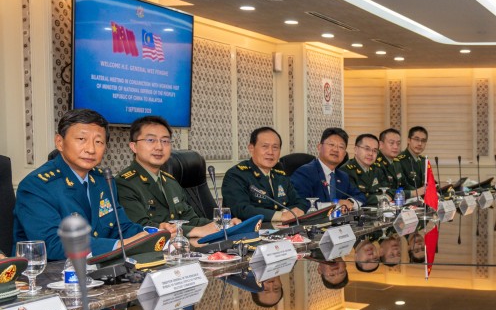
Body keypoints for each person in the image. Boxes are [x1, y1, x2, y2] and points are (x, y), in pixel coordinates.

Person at [13, 109, 150, 261]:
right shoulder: (37, 185)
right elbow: (52, 245)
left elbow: (122, 227)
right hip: (50, 276)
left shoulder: (103, 180)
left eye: (98, 142)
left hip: (100, 271)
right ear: (59, 142)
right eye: (81, 139)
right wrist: (118, 246)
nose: (91, 149)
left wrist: (153, 234)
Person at [116, 115, 232, 244]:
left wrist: (222, 224)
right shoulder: (124, 183)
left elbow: (191, 219)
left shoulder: (170, 181)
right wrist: (193, 231)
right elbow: (141, 227)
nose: (159, 147)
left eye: (165, 141)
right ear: (133, 146)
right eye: (151, 140)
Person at [222, 127, 309, 222]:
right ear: (251, 148)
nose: (270, 152)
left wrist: (289, 212)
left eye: (275, 147)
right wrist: (281, 216)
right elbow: (241, 209)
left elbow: (301, 202)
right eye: (265, 146)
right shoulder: (236, 175)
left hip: (282, 232)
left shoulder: (280, 176)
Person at [291, 127, 365, 210]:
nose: (336, 150)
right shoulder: (304, 173)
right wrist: (335, 205)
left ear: (344, 154)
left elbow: (361, 197)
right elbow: (300, 204)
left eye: (341, 147)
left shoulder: (343, 176)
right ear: (319, 147)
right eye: (331, 145)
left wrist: (350, 203)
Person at [342, 134, 393, 206]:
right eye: (367, 149)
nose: (371, 154)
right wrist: (380, 198)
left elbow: (389, 191)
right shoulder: (346, 171)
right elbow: (354, 199)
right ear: (356, 150)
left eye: (375, 151)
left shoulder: (377, 169)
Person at [396, 126, 429, 194]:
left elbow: (429, 182)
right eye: (416, 139)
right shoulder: (399, 160)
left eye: (423, 140)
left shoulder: (424, 161)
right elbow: (402, 185)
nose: (420, 144)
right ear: (409, 140)